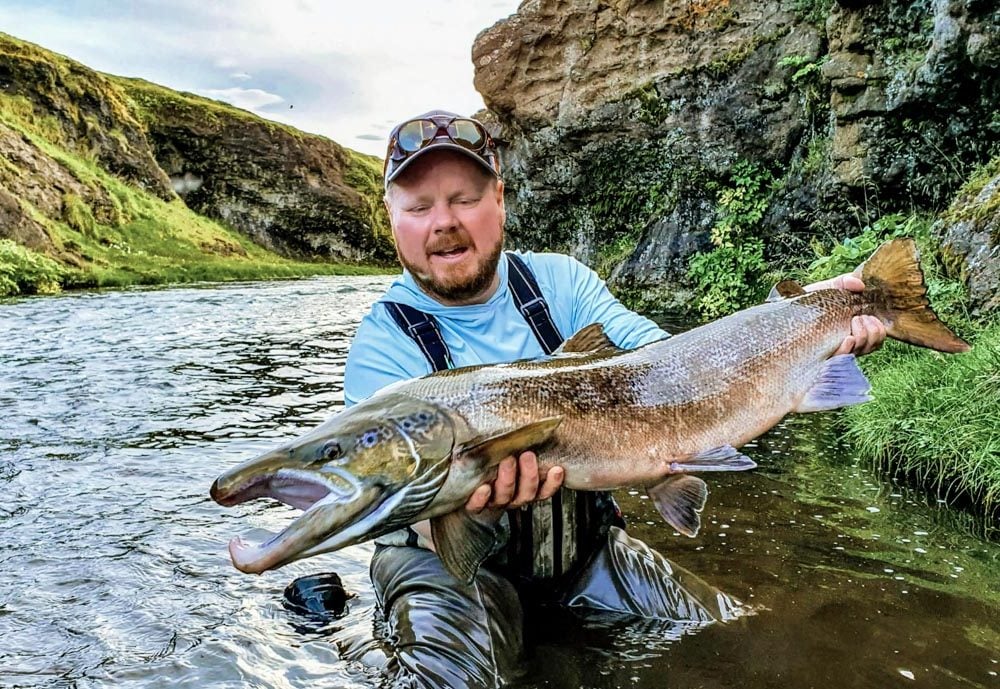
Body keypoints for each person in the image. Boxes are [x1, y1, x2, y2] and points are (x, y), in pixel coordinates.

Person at [337, 110, 886, 688]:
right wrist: (478, 503)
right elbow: (388, 503)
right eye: (419, 207)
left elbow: (674, 364)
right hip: (444, 570)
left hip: (582, 552)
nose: (443, 223)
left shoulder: (561, 284)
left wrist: (804, 312)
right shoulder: (384, 344)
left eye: (464, 199)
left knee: (730, 635)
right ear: (393, 218)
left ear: (499, 199)